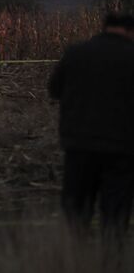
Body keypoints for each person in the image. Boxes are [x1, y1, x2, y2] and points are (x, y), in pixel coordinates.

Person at [49, 13, 134, 245]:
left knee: (76, 208)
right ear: (129, 30)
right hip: (121, 147)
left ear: (105, 27)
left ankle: (74, 258)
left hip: (79, 143)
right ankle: (110, 259)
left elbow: (54, 89)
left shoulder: (76, 53)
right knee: (116, 213)